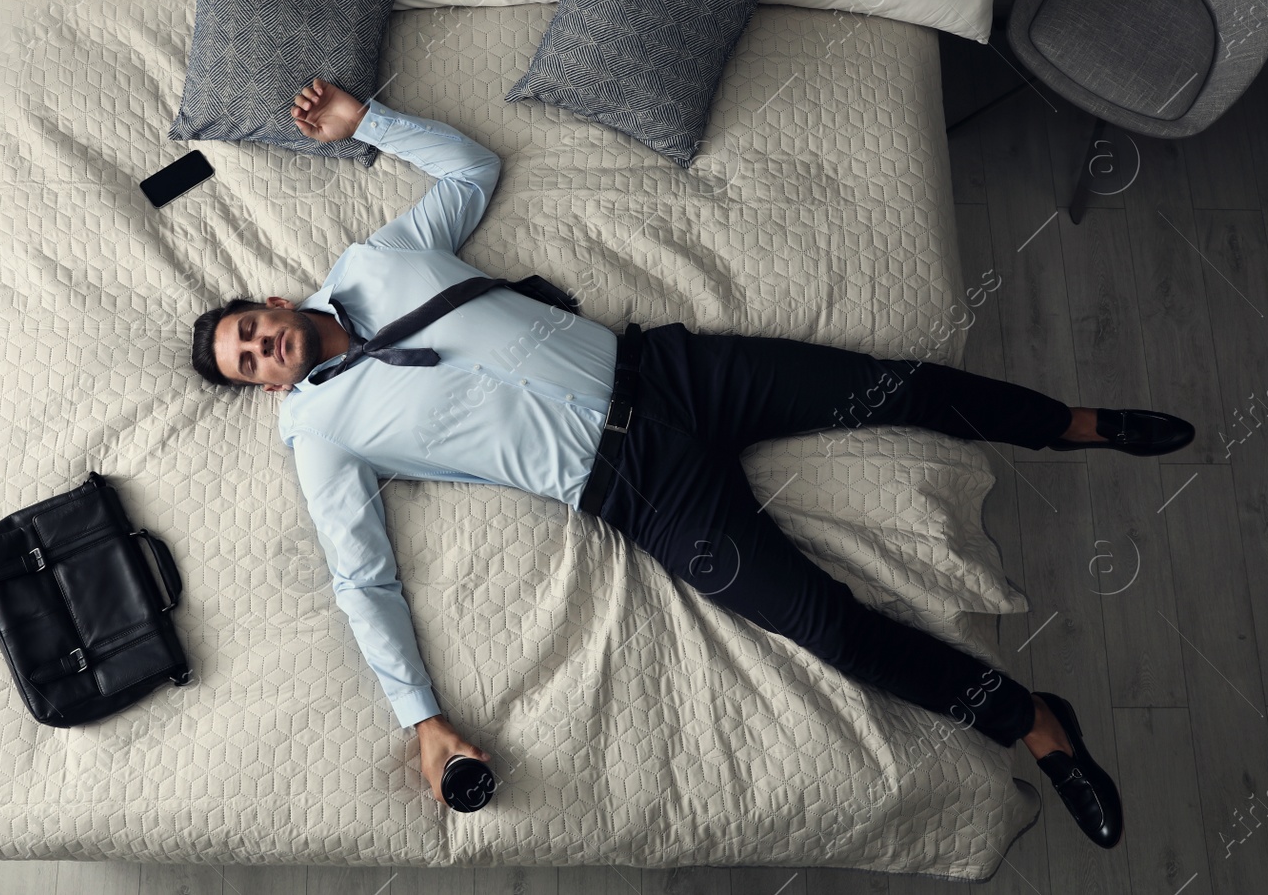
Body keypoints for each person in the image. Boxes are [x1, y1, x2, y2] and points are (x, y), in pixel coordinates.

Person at [190, 79, 1194, 849]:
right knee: (829, 629)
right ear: (267, 389)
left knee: (891, 387)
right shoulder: (318, 435)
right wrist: (422, 718)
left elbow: (470, 172)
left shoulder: (373, 262)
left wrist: (369, 122)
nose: (258, 351)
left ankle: (1067, 424)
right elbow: (360, 576)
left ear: (273, 300)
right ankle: (1032, 721)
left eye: (249, 329)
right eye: (245, 367)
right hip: (635, 490)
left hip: (671, 371)